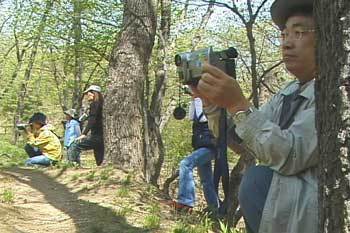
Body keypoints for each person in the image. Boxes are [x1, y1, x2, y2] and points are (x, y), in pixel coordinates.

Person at [192, 0, 317, 232]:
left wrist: (238, 104)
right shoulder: (288, 92)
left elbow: (290, 154)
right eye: (283, 34)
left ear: (328, 37)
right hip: (282, 215)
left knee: (258, 178)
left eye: (299, 33)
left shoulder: (337, 92)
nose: (287, 43)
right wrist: (213, 106)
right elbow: (246, 143)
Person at [170, 97, 219, 214]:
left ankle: (186, 201)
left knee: (186, 164)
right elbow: (191, 117)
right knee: (206, 180)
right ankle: (214, 209)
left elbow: (202, 118)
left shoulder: (211, 105)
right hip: (201, 146)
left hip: (210, 147)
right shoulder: (197, 103)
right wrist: (193, 98)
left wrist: (197, 96)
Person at [67, 85, 104, 166]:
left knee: (74, 145)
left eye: (88, 93)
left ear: (93, 93)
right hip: (101, 136)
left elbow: (92, 120)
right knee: (99, 161)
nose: (87, 95)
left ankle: (73, 167)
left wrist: (84, 134)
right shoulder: (101, 105)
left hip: (96, 136)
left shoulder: (94, 104)